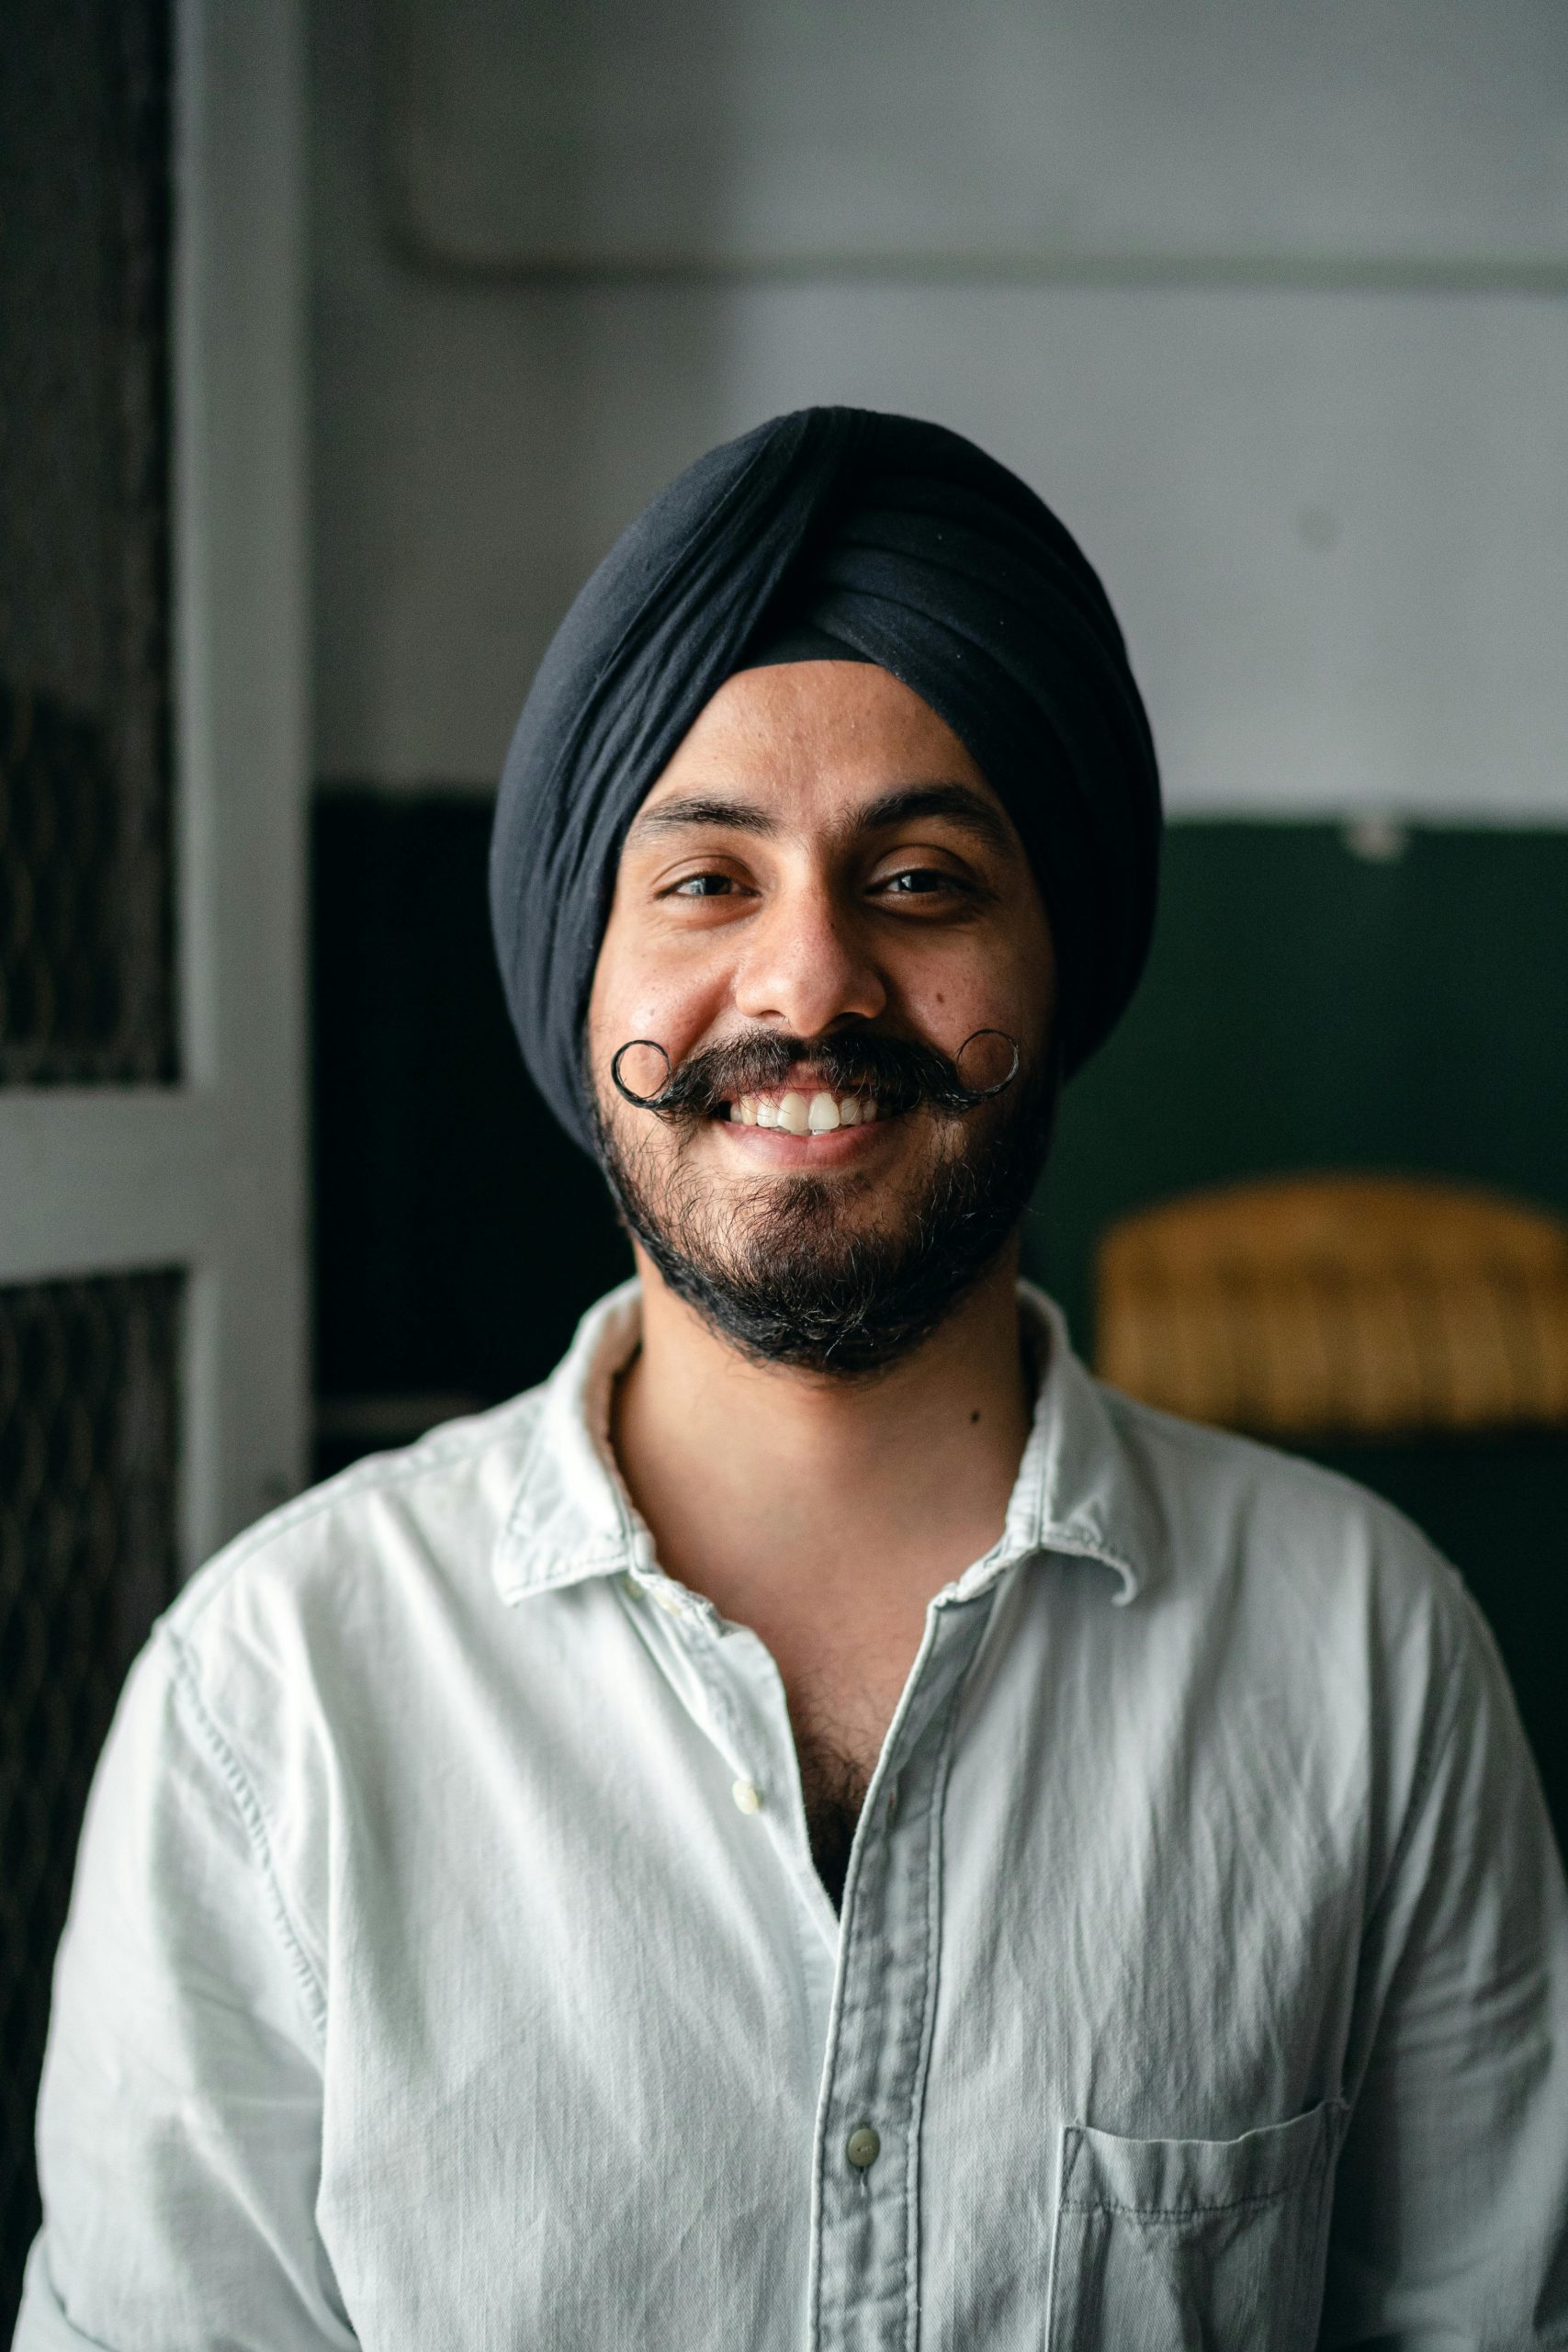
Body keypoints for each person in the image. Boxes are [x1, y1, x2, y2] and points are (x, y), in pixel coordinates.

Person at [17, 410, 1568, 2349]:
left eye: (916, 880)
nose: (809, 982)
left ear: (1055, 957)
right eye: (704, 882)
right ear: (578, 974)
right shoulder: (273, 1704)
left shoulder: (1363, 1660)